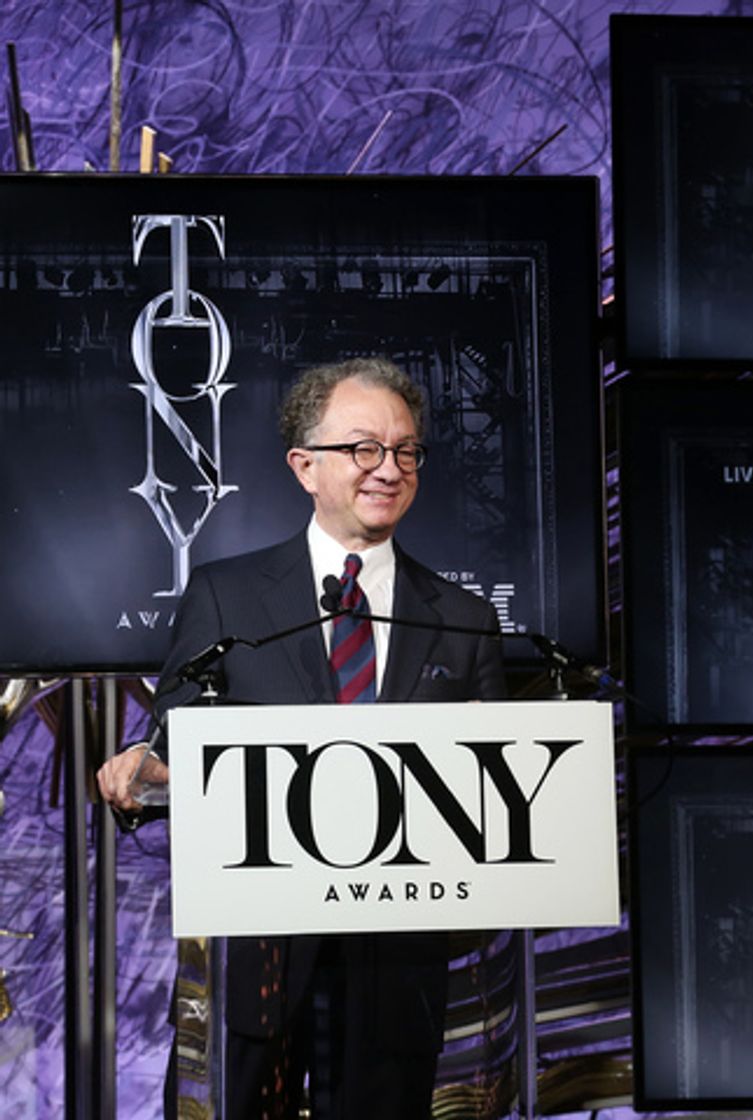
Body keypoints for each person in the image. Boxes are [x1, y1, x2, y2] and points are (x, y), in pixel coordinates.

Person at [97, 356, 506, 1119]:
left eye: (405, 450)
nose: (388, 469)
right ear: (305, 466)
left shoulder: (463, 619)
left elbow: (490, 802)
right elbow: (176, 747)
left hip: (400, 971)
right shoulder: (227, 596)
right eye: (363, 449)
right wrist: (147, 770)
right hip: (260, 959)